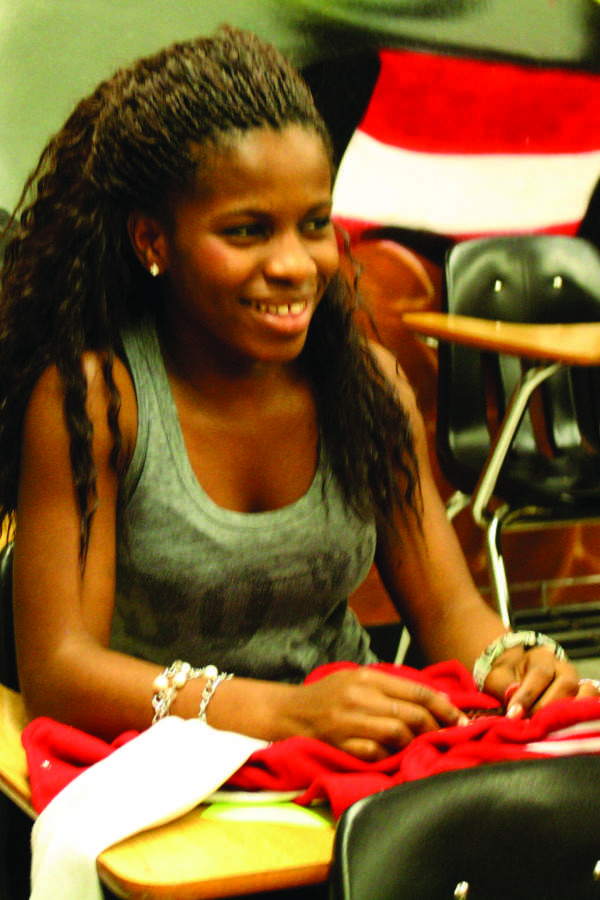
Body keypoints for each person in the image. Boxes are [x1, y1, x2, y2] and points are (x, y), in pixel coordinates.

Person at [0, 26, 587, 766]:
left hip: (343, 757)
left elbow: (447, 609)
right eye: (246, 231)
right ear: (153, 241)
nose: (294, 265)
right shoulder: (95, 398)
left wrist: (509, 660)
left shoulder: (363, 383)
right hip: (151, 774)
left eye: (313, 224)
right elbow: (59, 673)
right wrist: (283, 713)